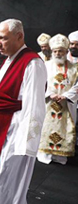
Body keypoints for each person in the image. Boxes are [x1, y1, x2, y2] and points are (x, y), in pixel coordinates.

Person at [0, 19, 47, 204]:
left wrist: (26, 145)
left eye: (4, 38)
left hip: (14, 134)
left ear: (19, 36)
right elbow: (3, 92)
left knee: (4, 180)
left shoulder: (32, 64)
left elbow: (34, 106)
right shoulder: (11, 59)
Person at [37, 34, 78, 165]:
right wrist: (50, 94)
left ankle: (60, 156)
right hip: (48, 103)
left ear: (66, 51)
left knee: (64, 128)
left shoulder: (75, 68)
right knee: (46, 128)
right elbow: (39, 83)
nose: (58, 53)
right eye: (55, 51)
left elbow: (77, 85)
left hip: (66, 104)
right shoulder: (45, 65)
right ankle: (45, 154)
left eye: (60, 51)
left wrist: (66, 96)